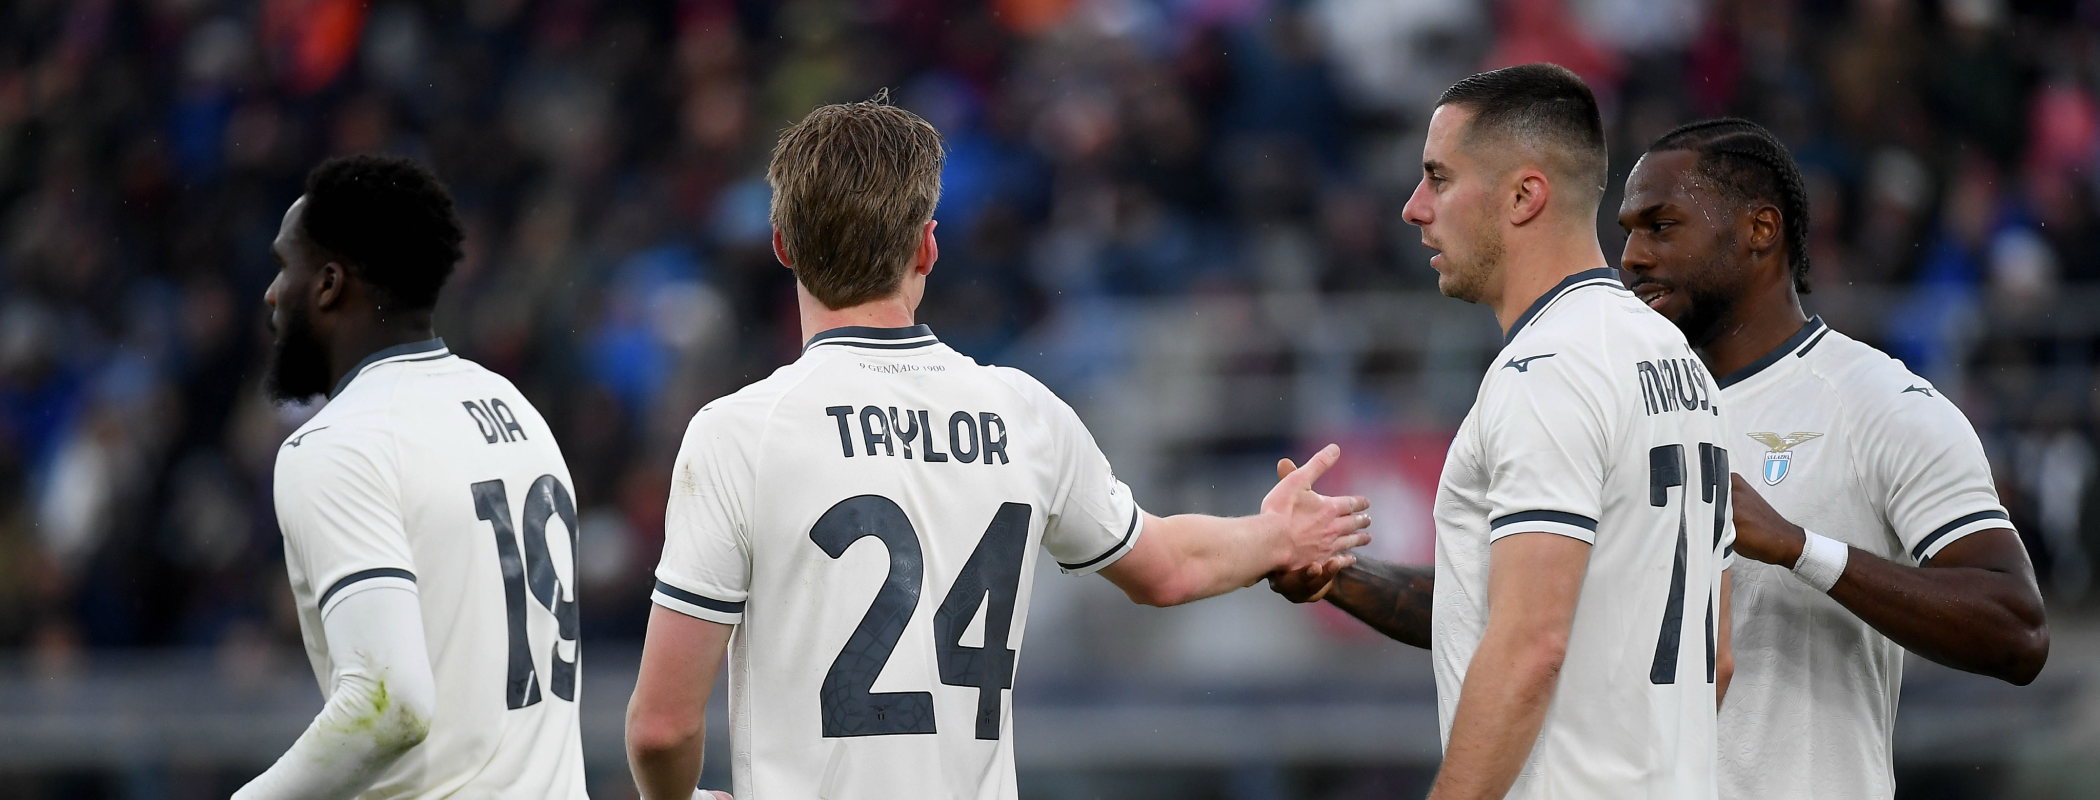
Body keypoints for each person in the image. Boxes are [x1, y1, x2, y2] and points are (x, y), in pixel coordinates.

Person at [621, 96, 1372, 800]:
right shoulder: (1021, 412)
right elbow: (1167, 568)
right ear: (927, 247)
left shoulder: (741, 432)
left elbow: (662, 727)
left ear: (782, 245)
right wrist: (1274, 535)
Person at [1270, 63, 1733, 799]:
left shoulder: (1547, 372)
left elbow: (1530, 645)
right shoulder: (1682, 367)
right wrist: (1341, 579)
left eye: (1439, 178)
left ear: (1524, 195)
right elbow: (1717, 654)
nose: (1414, 208)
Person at [1616, 117, 2049, 799]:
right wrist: (1379, 585)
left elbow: (2016, 629)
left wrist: (1798, 548)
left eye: (1661, 226)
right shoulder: (1627, 414)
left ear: (1762, 231)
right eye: (1628, 231)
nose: (1631, 256)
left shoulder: (1878, 404)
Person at [238, 155, 589, 799]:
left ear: (328, 284)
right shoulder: (514, 410)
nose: (271, 292)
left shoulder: (337, 444)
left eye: (285, 265)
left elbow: (388, 701)